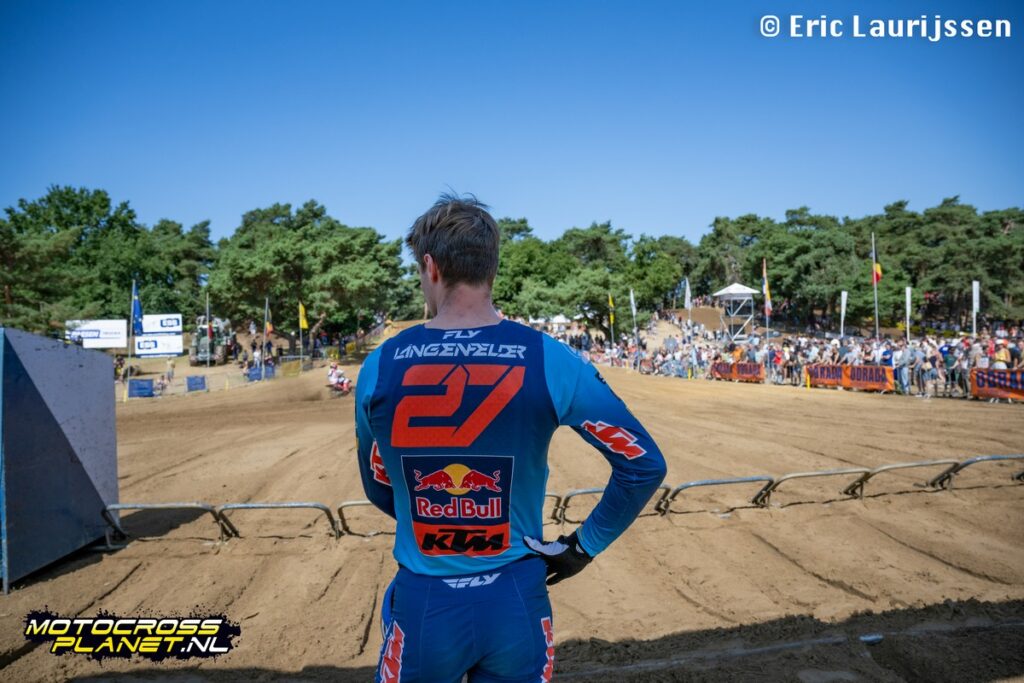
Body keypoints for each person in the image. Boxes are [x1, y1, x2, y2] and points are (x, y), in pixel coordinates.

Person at [356, 195, 666, 682]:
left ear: (430, 267)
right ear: (492, 268)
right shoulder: (550, 357)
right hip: (516, 599)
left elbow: (377, 484)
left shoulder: (380, 364)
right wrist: (582, 547)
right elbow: (643, 464)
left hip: (425, 601)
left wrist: (435, 520)